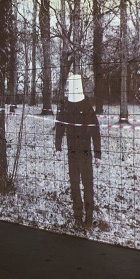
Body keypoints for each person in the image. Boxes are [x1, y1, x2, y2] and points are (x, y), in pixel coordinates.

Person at [55, 74, 101, 227]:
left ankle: (89, 217)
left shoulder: (87, 107)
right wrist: (58, 147)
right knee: (74, 185)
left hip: (86, 152)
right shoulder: (65, 107)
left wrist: (98, 154)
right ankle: (77, 216)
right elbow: (59, 128)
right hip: (72, 153)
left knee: (88, 185)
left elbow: (95, 131)